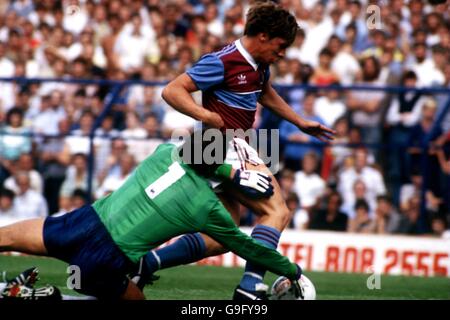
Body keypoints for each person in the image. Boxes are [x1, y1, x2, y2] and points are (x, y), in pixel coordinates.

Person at [150, 2, 335, 300]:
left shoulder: (260, 64)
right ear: (262, 36)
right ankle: (249, 289)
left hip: (229, 145)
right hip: (222, 144)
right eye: (281, 45)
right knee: (276, 211)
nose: (284, 52)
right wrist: (205, 115)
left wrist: (299, 121)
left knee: (221, 235)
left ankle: (148, 264)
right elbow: (172, 90)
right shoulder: (223, 60)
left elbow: (264, 92)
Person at [0, 133, 303, 300]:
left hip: (81, 222)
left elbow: (192, 151)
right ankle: (44, 299)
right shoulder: (206, 208)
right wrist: (293, 271)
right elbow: (247, 247)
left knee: (7, 237)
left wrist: (230, 171)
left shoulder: (163, 152)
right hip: (108, 258)